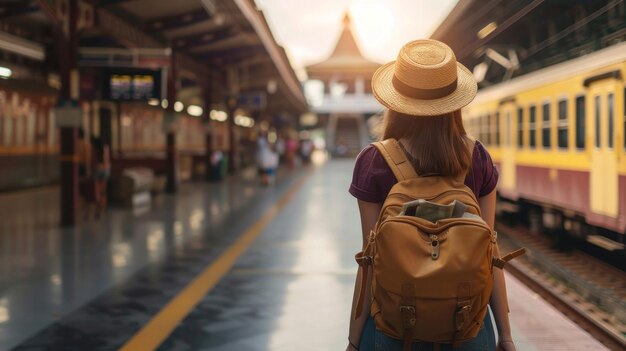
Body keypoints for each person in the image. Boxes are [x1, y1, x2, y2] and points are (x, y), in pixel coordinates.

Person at [346, 39, 516, 351]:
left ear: (395, 102)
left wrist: (354, 342)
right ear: (453, 102)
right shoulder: (476, 157)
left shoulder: (373, 162)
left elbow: (369, 261)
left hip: (395, 326)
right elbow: (491, 254)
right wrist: (505, 336)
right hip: (468, 328)